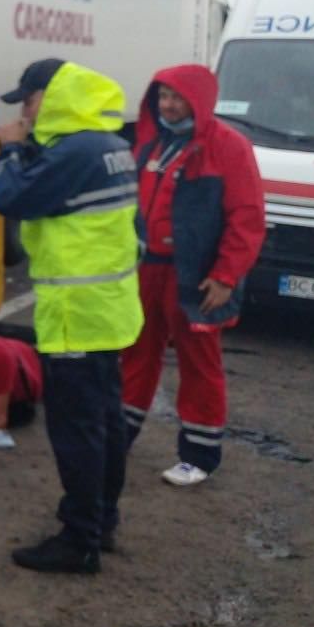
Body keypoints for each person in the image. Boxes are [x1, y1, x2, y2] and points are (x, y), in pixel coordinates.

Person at [0, 57, 143, 574]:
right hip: (107, 311)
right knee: (104, 423)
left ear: (50, 98)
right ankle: (101, 523)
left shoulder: (74, 150)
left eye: (29, 101)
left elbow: (9, 196)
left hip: (76, 315)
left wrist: (9, 149)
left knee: (78, 430)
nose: (26, 113)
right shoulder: (108, 143)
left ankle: (78, 541)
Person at [121, 65, 265, 486]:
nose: (168, 104)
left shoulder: (229, 147)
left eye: (177, 97)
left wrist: (225, 276)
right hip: (147, 268)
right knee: (134, 351)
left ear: (199, 101)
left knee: (199, 362)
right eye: (163, 96)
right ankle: (120, 433)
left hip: (196, 276)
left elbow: (247, 217)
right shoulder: (150, 142)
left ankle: (199, 455)